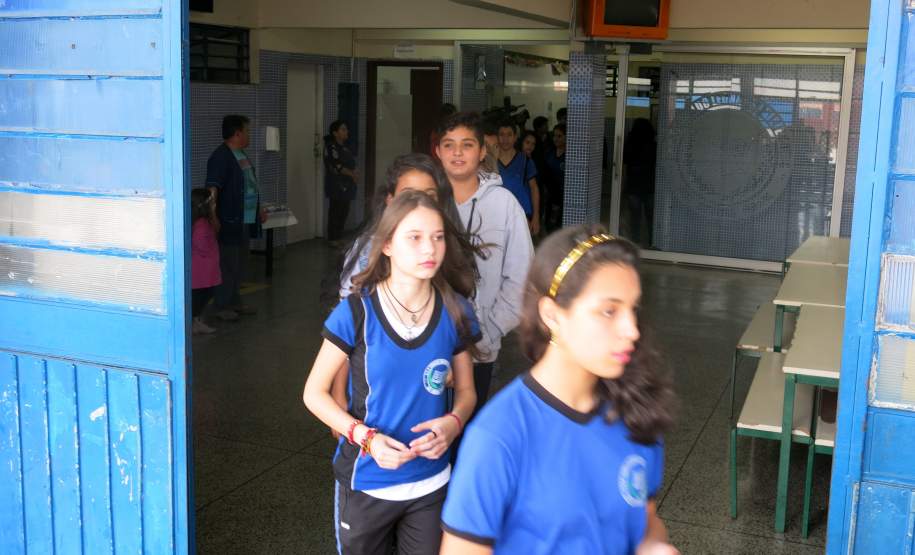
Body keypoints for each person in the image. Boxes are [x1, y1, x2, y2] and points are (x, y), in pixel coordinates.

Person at [440, 226, 678, 555]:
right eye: (609, 311)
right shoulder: (500, 435)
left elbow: (646, 520)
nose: (631, 330)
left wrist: (653, 545)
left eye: (632, 310)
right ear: (552, 315)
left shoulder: (636, 412)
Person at [303, 191, 480, 555]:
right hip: (368, 481)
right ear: (387, 245)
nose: (429, 249)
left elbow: (467, 392)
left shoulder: (455, 310)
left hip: (430, 483)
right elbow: (314, 393)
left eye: (437, 237)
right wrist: (366, 438)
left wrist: (454, 422)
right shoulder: (356, 312)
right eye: (414, 238)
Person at [331, 153, 480, 415]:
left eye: (429, 196)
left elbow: (457, 338)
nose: (419, 203)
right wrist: (337, 395)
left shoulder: (442, 249)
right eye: (408, 195)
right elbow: (346, 332)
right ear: (390, 201)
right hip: (372, 401)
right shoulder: (368, 251)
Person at [435, 112, 533, 422]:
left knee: (468, 429)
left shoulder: (504, 204)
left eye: (467, 145)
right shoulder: (425, 200)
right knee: (427, 434)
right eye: (449, 145)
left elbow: (521, 277)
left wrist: (487, 332)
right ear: (437, 152)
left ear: (481, 152)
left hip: (481, 346)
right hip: (424, 344)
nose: (458, 152)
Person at [206, 114, 266, 322]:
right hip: (229, 219)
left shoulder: (240, 154)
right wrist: (213, 216)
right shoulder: (221, 157)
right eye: (247, 130)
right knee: (227, 263)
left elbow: (249, 185)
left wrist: (258, 209)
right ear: (237, 133)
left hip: (244, 219)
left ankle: (234, 301)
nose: (249, 134)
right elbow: (213, 187)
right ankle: (221, 305)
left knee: (240, 262)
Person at [496, 120, 540, 236]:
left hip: (521, 216)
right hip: (496, 216)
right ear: (497, 137)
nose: (505, 139)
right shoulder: (490, 162)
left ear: (515, 137)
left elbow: (534, 188)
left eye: (509, 135)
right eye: (501, 135)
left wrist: (536, 217)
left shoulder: (525, 160)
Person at [324, 119, 359, 246]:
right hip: (336, 184)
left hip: (347, 185)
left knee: (344, 211)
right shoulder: (330, 146)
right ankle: (332, 238)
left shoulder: (345, 148)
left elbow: (351, 163)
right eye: (343, 129)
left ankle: (339, 236)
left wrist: (355, 173)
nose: (346, 131)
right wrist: (352, 174)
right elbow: (336, 165)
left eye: (346, 129)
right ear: (335, 133)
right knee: (335, 210)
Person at [191, 188, 221, 335]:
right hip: (202, 268)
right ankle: (193, 321)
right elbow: (201, 243)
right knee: (200, 295)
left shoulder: (203, 221)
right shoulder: (201, 224)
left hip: (206, 267)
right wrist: (210, 254)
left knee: (205, 293)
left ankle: (195, 320)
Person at [623, 118, 657, 247]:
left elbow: (625, 160)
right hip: (650, 184)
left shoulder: (631, 143)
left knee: (635, 216)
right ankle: (652, 240)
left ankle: (635, 239)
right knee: (650, 216)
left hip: (634, 183)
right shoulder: (653, 145)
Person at [544, 123, 566, 231]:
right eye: (554, 136)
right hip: (550, 194)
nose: (556, 139)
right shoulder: (549, 153)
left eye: (559, 136)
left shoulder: (570, 155)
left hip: (563, 195)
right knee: (549, 223)